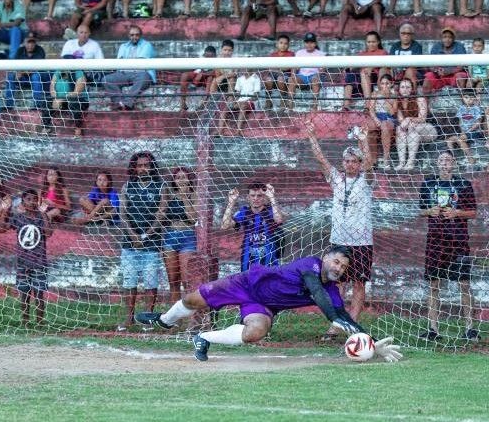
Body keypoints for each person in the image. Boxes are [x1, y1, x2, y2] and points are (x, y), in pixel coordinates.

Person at [135, 246, 403, 362]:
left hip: (263, 306)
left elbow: (343, 315)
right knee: (192, 299)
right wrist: (333, 316)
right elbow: (320, 298)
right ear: (325, 258)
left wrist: (370, 341)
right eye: (336, 262)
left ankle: (203, 337)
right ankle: (164, 321)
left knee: (255, 333)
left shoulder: (331, 289)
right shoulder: (310, 265)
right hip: (246, 283)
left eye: (343, 267)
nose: (339, 268)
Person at [307, 123, 374, 340]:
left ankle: (353, 325)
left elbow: (370, 163)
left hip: (362, 241)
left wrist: (363, 140)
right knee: (337, 283)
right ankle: (337, 324)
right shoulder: (337, 179)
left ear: (360, 163)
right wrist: (312, 135)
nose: (351, 164)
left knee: (358, 283)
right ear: (343, 163)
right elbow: (321, 159)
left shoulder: (366, 179)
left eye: (355, 161)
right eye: (347, 161)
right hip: (339, 239)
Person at [418, 151, 478, 341]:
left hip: (458, 239)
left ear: (454, 163)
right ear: (437, 163)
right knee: (434, 284)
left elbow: (473, 212)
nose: (444, 163)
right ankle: (433, 329)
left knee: (464, 284)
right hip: (435, 240)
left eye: (448, 160)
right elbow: (420, 211)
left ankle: (469, 328)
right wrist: (430, 210)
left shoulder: (464, 184)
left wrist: (456, 212)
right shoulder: (428, 183)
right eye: (441, 160)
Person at [117, 151, 165, 330]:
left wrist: (145, 235)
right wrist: (133, 235)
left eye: (146, 165)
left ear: (152, 167)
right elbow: (122, 214)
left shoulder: (160, 186)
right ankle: (128, 319)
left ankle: (148, 320)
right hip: (129, 244)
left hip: (151, 244)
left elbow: (161, 213)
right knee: (129, 283)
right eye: (140, 166)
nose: (143, 169)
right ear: (134, 168)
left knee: (150, 283)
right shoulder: (127, 186)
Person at [9, 189, 53, 325]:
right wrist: (5, 210)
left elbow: (48, 233)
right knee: (24, 293)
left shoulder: (41, 217)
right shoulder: (18, 217)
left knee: (39, 293)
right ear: (23, 202)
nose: (32, 202)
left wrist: (44, 213)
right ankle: (25, 321)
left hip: (39, 261)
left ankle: (40, 322)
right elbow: (2, 228)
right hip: (23, 261)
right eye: (29, 199)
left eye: (35, 199)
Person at [221, 182, 285, 271]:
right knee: (247, 283)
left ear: (264, 198)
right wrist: (231, 202)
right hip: (248, 261)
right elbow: (225, 225)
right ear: (248, 197)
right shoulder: (244, 212)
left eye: (259, 196)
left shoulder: (271, 211)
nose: (255, 198)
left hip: (269, 262)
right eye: (252, 195)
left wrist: (272, 197)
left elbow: (279, 220)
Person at [158, 167, 198, 304]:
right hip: (170, 236)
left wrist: (184, 197)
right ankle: (174, 318)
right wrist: (162, 213)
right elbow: (160, 216)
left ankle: (190, 316)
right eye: (178, 177)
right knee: (173, 280)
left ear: (189, 180)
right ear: (174, 181)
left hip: (187, 237)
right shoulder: (168, 195)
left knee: (187, 280)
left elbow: (193, 219)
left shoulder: (194, 194)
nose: (181, 180)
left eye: (184, 177)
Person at [104, 26, 156, 111]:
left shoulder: (147, 45)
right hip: (125, 73)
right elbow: (119, 62)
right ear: (128, 36)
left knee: (144, 77)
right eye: (132, 35)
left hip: (140, 73)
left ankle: (127, 104)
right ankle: (119, 103)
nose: (134, 37)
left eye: (137, 35)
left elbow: (140, 62)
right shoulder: (123, 46)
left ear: (141, 35)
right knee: (107, 79)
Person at [393, 78, 436, 171]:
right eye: (403, 87)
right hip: (411, 131)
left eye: (408, 87)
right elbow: (401, 121)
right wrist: (406, 123)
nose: (405, 89)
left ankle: (410, 162)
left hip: (428, 128)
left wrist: (409, 119)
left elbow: (422, 119)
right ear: (399, 89)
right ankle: (402, 163)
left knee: (412, 129)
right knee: (400, 130)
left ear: (412, 89)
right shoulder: (398, 101)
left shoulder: (419, 99)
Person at [341, 31, 388, 111]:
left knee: (364, 72)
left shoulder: (382, 52)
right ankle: (346, 105)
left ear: (378, 42)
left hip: (374, 76)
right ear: (366, 43)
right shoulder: (362, 53)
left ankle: (367, 105)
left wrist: (371, 67)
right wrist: (347, 68)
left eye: (373, 42)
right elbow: (354, 64)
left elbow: (383, 64)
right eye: (369, 42)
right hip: (361, 76)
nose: (371, 44)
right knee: (350, 75)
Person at [286, 33, 326, 111]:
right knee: (291, 80)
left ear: (315, 43)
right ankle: (290, 106)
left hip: (314, 76)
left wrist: (318, 75)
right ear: (304, 43)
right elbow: (295, 67)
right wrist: (293, 74)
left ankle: (314, 106)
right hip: (302, 77)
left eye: (311, 42)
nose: (309, 44)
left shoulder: (320, 54)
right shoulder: (299, 53)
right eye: (307, 42)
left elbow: (323, 69)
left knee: (315, 79)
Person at [423, 27, 468, 95]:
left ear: (453, 39)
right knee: (428, 77)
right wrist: (437, 71)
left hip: (453, 75)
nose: (447, 39)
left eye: (450, 37)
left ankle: (463, 101)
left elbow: (462, 66)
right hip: (439, 76)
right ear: (441, 38)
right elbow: (431, 64)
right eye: (445, 37)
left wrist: (448, 71)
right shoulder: (436, 47)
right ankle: (425, 103)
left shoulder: (459, 47)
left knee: (461, 76)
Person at [445, 89, 482, 169]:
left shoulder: (476, 108)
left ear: (475, 99)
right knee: (449, 140)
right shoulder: (461, 108)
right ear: (462, 98)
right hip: (464, 132)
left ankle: (470, 158)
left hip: (475, 132)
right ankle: (452, 158)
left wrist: (468, 131)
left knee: (461, 139)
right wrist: (462, 131)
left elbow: (478, 123)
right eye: (466, 97)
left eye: (471, 98)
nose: (468, 99)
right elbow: (460, 121)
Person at [366, 74, 396, 168]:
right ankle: (374, 160)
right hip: (377, 115)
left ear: (391, 84)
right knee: (370, 129)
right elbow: (371, 109)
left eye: (387, 83)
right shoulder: (375, 93)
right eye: (382, 83)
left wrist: (386, 98)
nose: (385, 86)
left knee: (385, 126)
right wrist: (375, 119)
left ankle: (386, 158)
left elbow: (392, 113)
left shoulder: (394, 96)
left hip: (388, 117)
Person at [179, 45, 217, 112]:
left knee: (210, 78)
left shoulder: (219, 61)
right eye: (206, 56)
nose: (208, 58)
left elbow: (215, 72)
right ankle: (183, 104)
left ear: (214, 56)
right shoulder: (201, 59)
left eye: (210, 57)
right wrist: (200, 73)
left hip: (209, 79)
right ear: (204, 54)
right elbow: (197, 71)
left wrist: (202, 73)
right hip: (198, 77)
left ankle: (203, 105)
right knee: (184, 75)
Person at [260, 35, 294, 110]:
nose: (283, 45)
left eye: (285, 43)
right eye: (281, 43)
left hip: (285, 74)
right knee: (268, 80)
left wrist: (279, 68)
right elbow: (270, 68)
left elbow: (287, 67)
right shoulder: (273, 55)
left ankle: (283, 99)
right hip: (273, 74)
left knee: (280, 79)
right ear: (277, 44)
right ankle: (268, 100)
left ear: (288, 45)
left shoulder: (291, 54)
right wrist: (280, 68)